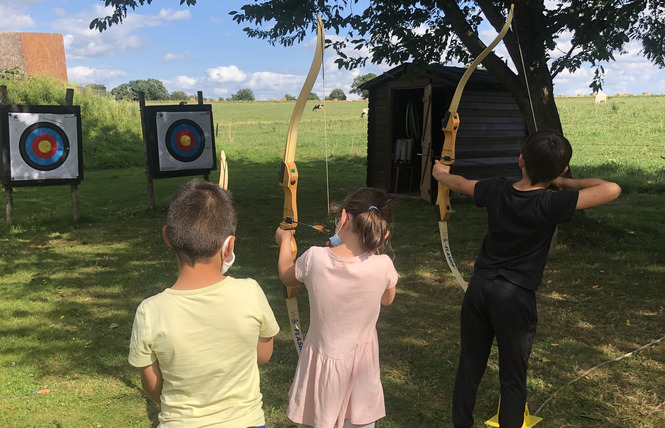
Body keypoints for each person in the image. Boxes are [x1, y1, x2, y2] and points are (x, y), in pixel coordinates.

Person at [432, 130, 621, 428]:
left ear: (520, 160)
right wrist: (563, 183)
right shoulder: (551, 204)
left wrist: (440, 171)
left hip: (480, 289)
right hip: (515, 297)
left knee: (470, 364)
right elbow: (611, 188)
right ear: (562, 169)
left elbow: (459, 183)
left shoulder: (496, 189)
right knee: (513, 377)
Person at [128, 179, 280, 428]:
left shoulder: (150, 311)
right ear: (229, 245)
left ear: (168, 236)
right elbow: (262, 355)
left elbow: (154, 388)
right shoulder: (250, 292)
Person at [275, 187, 398, 428]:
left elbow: (286, 275)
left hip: (321, 376)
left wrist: (285, 240)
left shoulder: (315, 258)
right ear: (383, 233)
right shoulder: (383, 265)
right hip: (361, 378)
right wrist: (376, 251)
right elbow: (387, 299)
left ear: (343, 217)